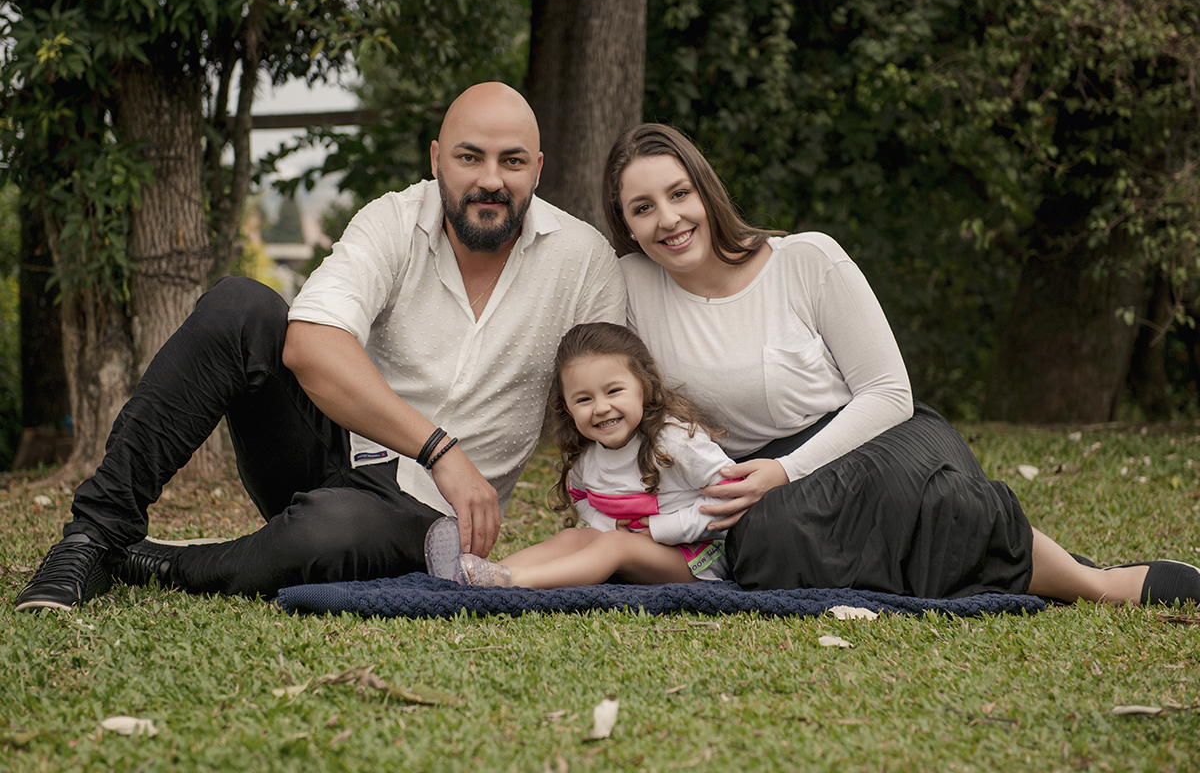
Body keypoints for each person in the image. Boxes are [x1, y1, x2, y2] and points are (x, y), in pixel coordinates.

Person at [14, 82, 626, 612]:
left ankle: (160, 566)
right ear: (438, 159)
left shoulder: (582, 261)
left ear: (537, 169)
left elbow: (618, 396)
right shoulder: (392, 220)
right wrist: (439, 448)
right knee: (239, 307)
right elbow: (309, 343)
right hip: (337, 451)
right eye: (470, 157)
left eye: (511, 161)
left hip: (432, 520)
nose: (490, 180)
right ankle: (92, 539)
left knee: (328, 531)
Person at [601, 122, 1200, 606]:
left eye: (680, 194)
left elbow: (888, 393)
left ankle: (1094, 584)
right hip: (756, 481)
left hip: (875, 438)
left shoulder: (806, 260)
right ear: (625, 224)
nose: (669, 219)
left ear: (706, 190)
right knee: (767, 546)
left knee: (912, 500)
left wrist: (786, 471)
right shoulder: (629, 286)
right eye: (643, 207)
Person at [426, 322, 736, 588]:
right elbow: (581, 497)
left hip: (699, 558)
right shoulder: (586, 454)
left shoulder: (674, 440)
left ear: (645, 385)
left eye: (614, 391)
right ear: (567, 408)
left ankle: (513, 582)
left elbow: (729, 495)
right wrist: (608, 525)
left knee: (615, 546)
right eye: (584, 399)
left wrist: (659, 529)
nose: (601, 408)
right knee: (571, 538)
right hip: (633, 549)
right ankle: (480, 575)